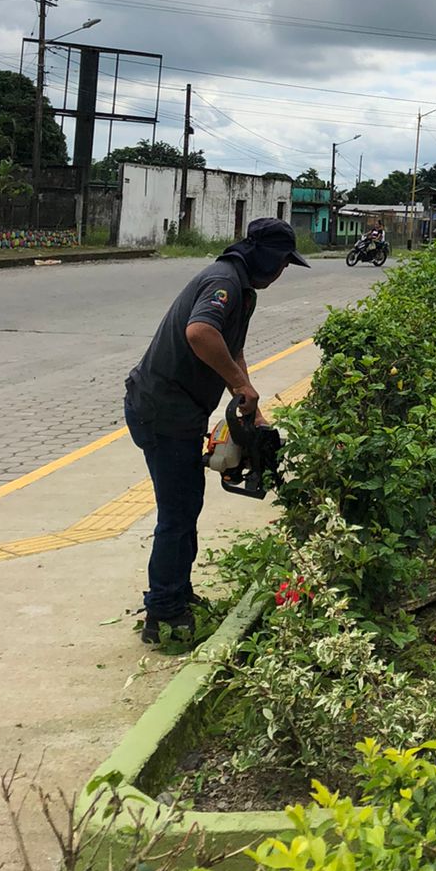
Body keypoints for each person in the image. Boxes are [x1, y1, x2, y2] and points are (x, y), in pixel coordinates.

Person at [124, 217, 309, 643]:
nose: (283, 271)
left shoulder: (243, 290)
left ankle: (177, 592)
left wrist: (251, 407)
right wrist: (241, 387)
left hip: (180, 412)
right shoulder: (224, 281)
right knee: (178, 511)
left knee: (187, 504)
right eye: (283, 262)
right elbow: (201, 332)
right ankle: (163, 614)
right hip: (161, 410)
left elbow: (232, 348)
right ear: (266, 257)